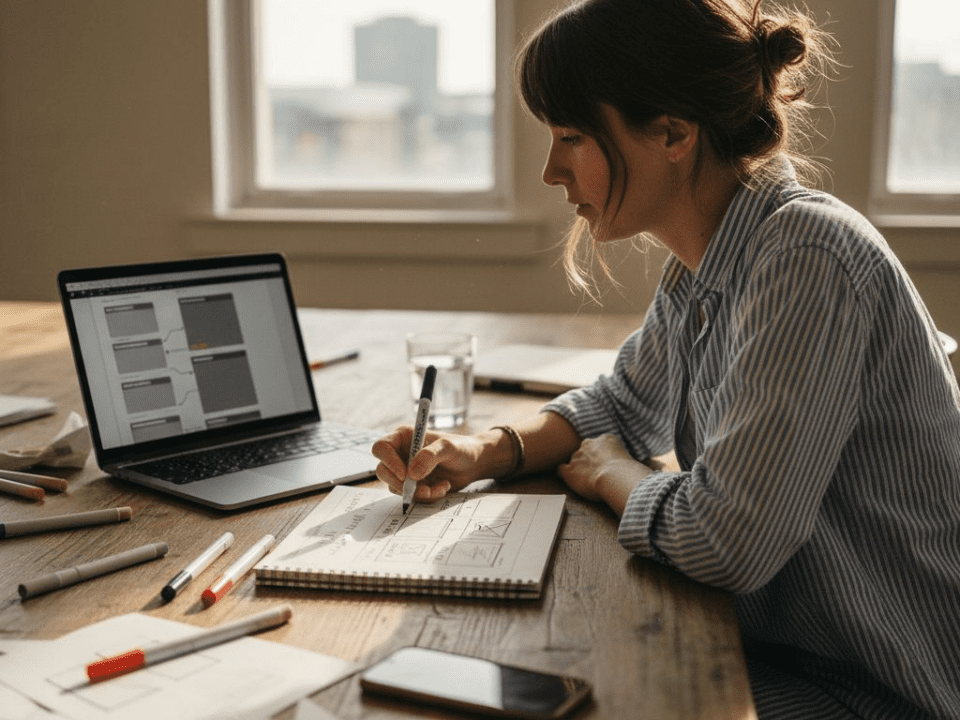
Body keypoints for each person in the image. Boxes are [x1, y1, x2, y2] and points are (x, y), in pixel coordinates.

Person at [372, 0, 960, 717]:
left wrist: (615, 475)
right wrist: (482, 451)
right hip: (786, 653)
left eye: (573, 136)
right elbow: (621, 403)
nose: (553, 171)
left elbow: (726, 541)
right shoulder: (708, 264)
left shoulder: (806, 253)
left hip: (877, 692)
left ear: (674, 132)